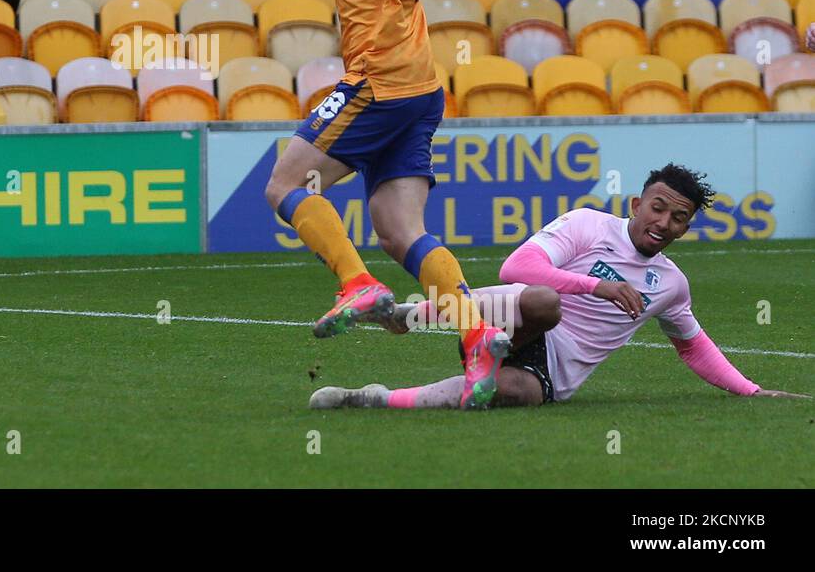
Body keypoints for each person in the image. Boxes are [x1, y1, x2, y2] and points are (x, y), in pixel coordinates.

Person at [215, 0, 551, 410]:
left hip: (377, 84)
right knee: (401, 233)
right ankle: (477, 339)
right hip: (419, 90)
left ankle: (357, 285)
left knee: (285, 185)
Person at [311, 165, 810, 409]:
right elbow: (516, 267)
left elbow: (693, 346)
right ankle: (407, 316)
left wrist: (752, 390)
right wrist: (596, 287)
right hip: (510, 319)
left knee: (511, 394)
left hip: (550, 371)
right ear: (637, 203)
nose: (664, 222)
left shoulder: (672, 285)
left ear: (684, 228)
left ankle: (372, 398)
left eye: (679, 218)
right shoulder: (589, 225)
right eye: (658, 207)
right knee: (546, 301)